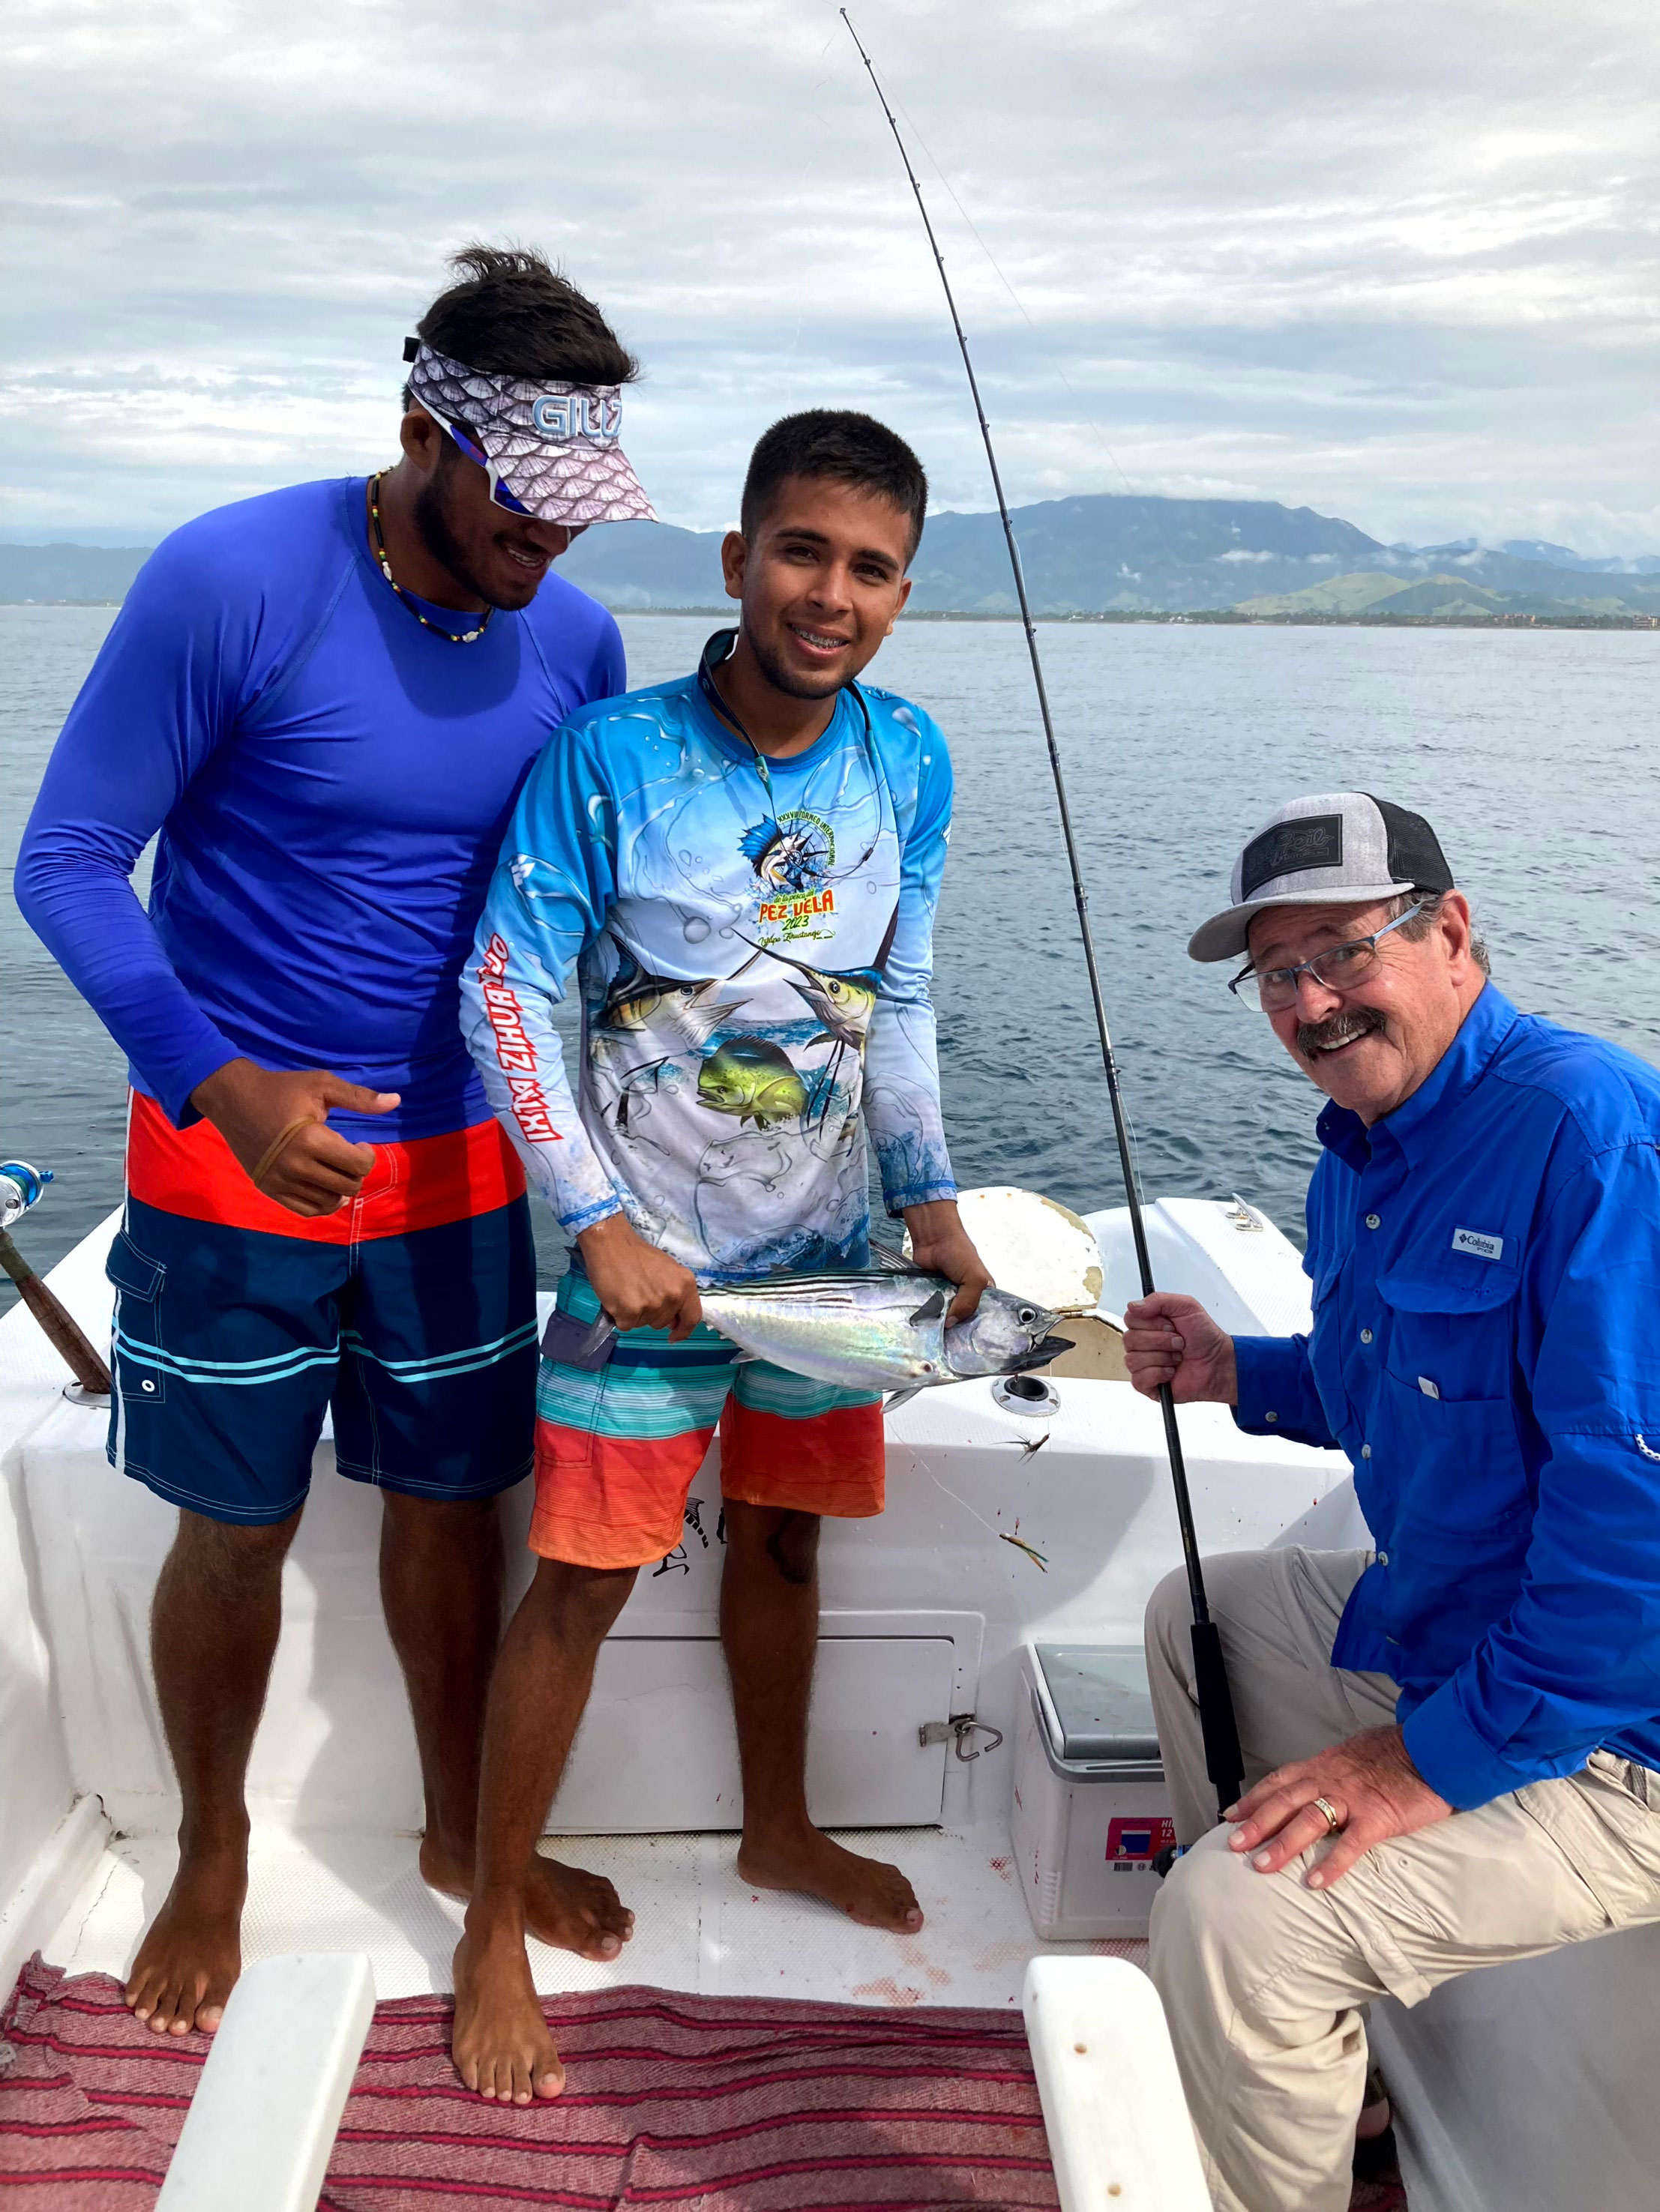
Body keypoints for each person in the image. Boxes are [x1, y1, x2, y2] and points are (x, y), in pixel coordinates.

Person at [14, 244, 655, 2038]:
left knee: (456, 1509)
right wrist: (220, 1081)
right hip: (230, 1162)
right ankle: (212, 1845)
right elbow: (65, 860)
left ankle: (468, 1839)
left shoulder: (578, 639)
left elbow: (577, 924)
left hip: (460, 1171)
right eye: (524, 498)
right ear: (420, 437)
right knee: (236, 1518)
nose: (553, 542)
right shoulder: (232, 578)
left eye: (579, 506)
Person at [449, 408, 991, 2104]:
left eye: (872, 567)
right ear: (741, 558)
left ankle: (776, 1831)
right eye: (804, 552)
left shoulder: (910, 757)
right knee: (583, 1586)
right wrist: (593, 1221)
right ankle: (486, 1924)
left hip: (829, 1267)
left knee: (781, 1551)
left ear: (904, 591)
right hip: (647, 1268)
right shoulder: (613, 758)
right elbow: (506, 993)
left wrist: (933, 1197)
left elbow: (893, 999)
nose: (831, 595)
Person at [1121, 790, 1660, 2212]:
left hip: (1617, 1729)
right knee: (1198, 1621)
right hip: (1459, 1624)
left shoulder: (1586, 1133)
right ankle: (1321, 2083)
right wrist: (1240, 1370)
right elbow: (1402, 1386)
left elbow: (1636, 1534)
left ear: (1452, 931)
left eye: (1344, 953)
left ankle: (1258, 2008)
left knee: (1234, 1923)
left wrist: (1423, 1760)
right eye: (1278, 974)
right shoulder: (1361, 1151)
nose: (1310, 1003)